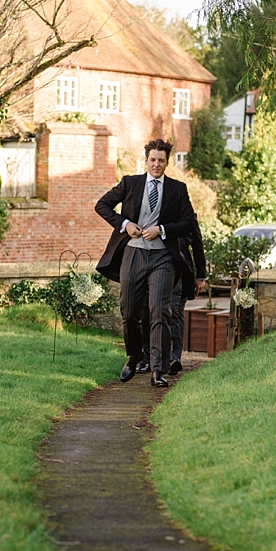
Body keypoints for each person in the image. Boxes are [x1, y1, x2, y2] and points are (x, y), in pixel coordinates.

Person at [95, 139, 198, 387]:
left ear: (166, 162)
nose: (156, 164)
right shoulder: (131, 183)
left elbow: (189, 223)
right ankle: (134, 355)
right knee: (129, 312)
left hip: (163, 257)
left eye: (161, 160)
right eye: (152, 159)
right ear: (146, 161)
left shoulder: (177, 189)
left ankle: (158, 369)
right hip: (133, 254)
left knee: (160, 311)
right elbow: (102, 205)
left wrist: (162, 229)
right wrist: (125, 224)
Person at [137, 223, 206, 376]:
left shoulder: (185, 214)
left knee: (174, 312)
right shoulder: (148, 208)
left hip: (178, 269)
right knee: (148, 313)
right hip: (147, 267)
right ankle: (148, 358)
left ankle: (174, 358)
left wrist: (201, 275)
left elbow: (196, 243)